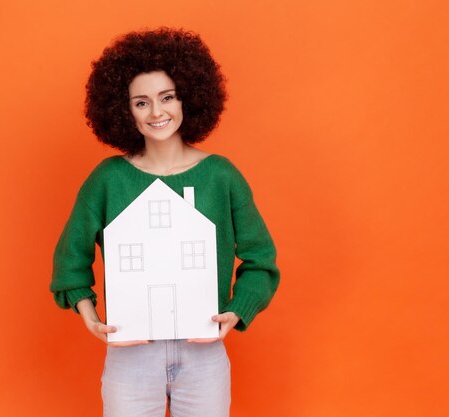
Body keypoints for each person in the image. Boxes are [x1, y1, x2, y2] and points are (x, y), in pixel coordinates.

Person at [50, 27, 279, 417]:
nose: (156, 113)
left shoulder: (221, 177)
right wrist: (89, 315)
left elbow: (262, 260)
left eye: (167, 97)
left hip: (203, 353)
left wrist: (240, 309)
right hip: (131, 355)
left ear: (188, 98)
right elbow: (69, 258)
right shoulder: (108, 180)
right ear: (125, 111)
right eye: (141, 102)